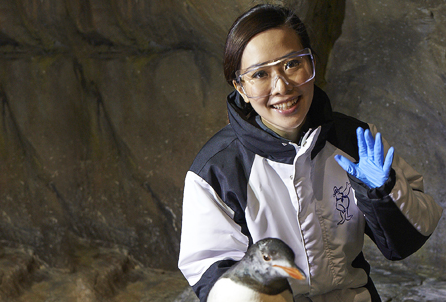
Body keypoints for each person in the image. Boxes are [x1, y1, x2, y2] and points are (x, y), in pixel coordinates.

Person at [178, 4, 443, 302]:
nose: (282, 86)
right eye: (260, 74)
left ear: (311, 63)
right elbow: (208, 269)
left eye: (292, 64)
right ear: (240, 87)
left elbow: (410, 238)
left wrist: (384, 193)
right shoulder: (217, 171)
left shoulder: (355, 141)